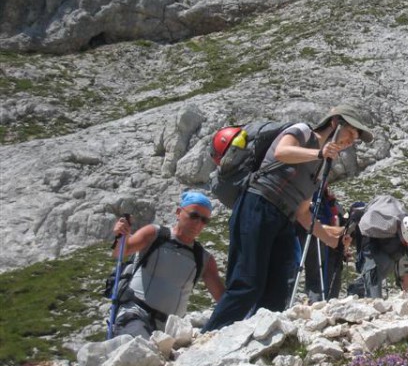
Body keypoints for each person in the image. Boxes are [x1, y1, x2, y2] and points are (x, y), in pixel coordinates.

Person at [203, 105, 373, 332]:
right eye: (351, 132)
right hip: (258, 204)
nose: (352, 140)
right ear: (335, 123)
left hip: (284, 218)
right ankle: (211, 336)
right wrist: (319, 153)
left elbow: (303, 212)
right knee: (247, 283)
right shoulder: (302, 131)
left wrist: (331, 240)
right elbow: (283, 151)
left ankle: (257, 340)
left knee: (279, 289)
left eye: (356, 138)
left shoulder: (322, 166)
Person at [110, 191, 225, 339]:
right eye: (194, 215)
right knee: (143, 350)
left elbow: (222, 298)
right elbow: (120, 252)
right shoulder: (154, 234)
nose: (198, 223)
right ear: (178, 212)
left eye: (204, 220)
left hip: (169, 330)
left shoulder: (205, 259)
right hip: (135, 314)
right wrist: (119, 235)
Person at [353, 212, 408, 297]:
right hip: (375, 257)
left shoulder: (394, 232)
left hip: (380, 258)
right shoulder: (390, 237)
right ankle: (356, 291)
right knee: (374, 291)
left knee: (373, 282)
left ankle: (355, 290)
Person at [297, 188, 345, 303]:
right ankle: (316, 302)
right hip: (314, 235)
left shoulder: (324, 197)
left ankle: (318, 302)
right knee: (316, 274)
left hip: (322, 237)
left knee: (320, 273)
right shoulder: (317, 196)